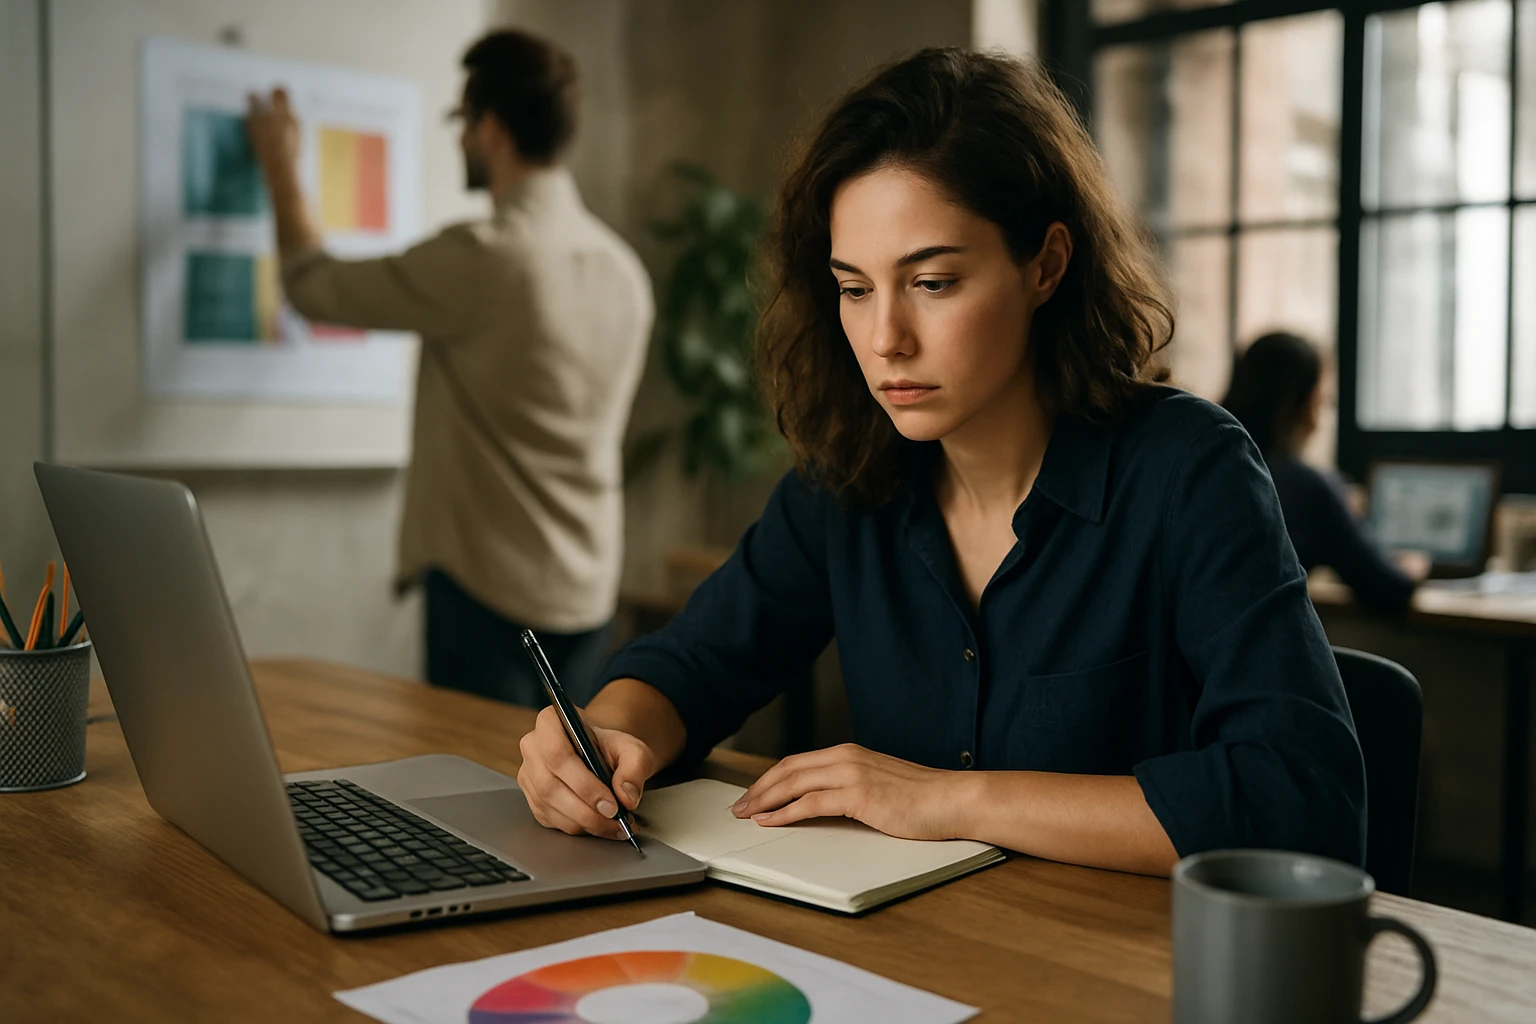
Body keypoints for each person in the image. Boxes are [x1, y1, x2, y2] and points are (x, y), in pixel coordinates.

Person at [517, 48, 1366, 876]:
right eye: (855, 289)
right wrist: (604, 738)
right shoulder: (846, 479)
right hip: (915, 964)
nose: (885, 338)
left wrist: (947, 799)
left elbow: (1300, 798)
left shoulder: (1188, 470)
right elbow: (695, 665)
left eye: (933, 282)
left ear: (1047, 265)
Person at [246, 30, 653, 706]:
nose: (460, 136)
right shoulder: (624, 272)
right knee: (575, 797)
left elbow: (315, 287)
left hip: (488, 597)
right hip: (588, 593)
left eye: (461, 120)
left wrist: (280, 165)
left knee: (480, 803)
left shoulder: (487, 256)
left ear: (489, 128)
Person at [1222, 332, 1428, 615]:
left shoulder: (1209, 467)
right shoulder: (1307, 487)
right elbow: (1388, 587)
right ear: (1306, 406)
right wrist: (1413, 566)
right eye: (1324, 400)